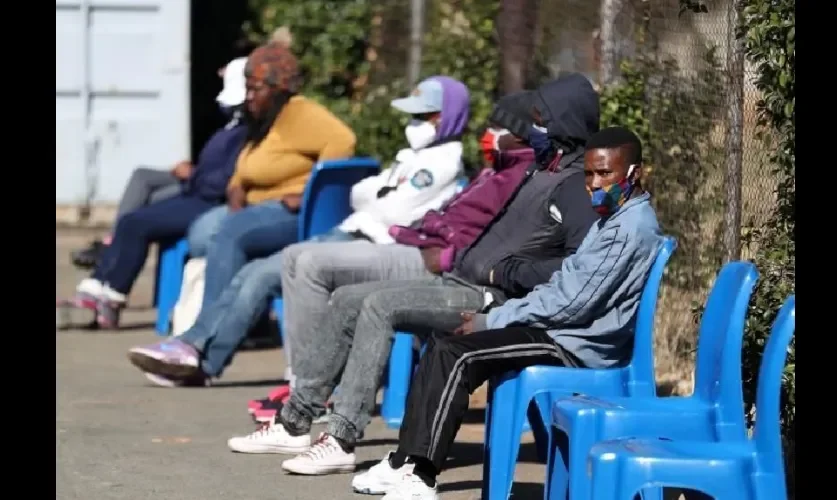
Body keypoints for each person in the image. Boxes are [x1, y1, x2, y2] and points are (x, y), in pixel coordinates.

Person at [223, 74, 601, 472]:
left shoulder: (575, 186)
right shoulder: (541, 170)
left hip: (488, 295)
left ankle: (341, 437)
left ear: (564, 123)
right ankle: (294, 420)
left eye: (543, 120)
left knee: (378, 306)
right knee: (347, 298)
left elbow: (575, 265)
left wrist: (503, 271)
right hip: (460, 278)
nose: (533, 129)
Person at [352, 127, 665, 499]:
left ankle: (422, 475)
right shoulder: (611, 218)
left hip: (577, 345)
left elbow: (572, 303)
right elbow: (563, 284)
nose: (594, 183)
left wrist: (493, 319)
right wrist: (506, 312)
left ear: (634, 172)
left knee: (458, 355)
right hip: (561, 330)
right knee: (444, 340)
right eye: (589, 174)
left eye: (605, 174)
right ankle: (405, 459)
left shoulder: (628, 229)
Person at [125, 76, 472, 387]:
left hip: (374, 244)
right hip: (352, 231)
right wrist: (375, 196)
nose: (414, 123)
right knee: (251, 271)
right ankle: (199, 356)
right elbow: (360, 193)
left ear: (448, 118)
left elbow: (388, 208)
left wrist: (375, 197)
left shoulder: (442, 162)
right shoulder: (413, 155)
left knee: (262, 275)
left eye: (424, 116)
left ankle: (200, 353)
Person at [179, 41, 357, 319]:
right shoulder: (265, 119)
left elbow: (344, 140)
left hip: (291, 213)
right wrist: (235, 187)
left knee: (229, 233)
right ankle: (248, 315)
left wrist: (310, 194)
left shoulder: (301, 113)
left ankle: (209, 326)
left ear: (279, 89)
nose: (248, 97)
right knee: (200, 236)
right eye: (247, 88)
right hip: (253, 205)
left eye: (255, 89)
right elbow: (246, 162)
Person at [69, 58, 250, 328]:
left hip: (207, 202)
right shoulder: (235, 126)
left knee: (135, 223)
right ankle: (101, 283)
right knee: (137, 217)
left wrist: (193, 176)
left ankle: (113, 293)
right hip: (199, 194)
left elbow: (222, 179)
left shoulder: (245, 131)